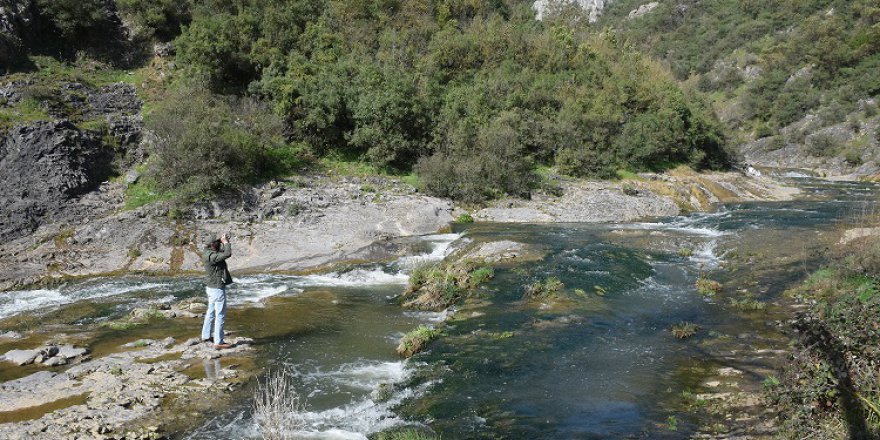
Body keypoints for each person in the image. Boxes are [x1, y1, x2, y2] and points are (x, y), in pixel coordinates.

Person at [202, 233, 234, 350]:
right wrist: (225, 242)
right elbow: (227, 253)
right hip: (216, 288)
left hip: (211, 287)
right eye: (217, 242)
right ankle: (218, 342)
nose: (218, 243)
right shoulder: (212, 256)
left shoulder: (208, 252)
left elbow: (220, 251)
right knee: (220, 314)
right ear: (213, 244)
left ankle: (206, 336)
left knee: (210, 311)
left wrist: (222, 241)